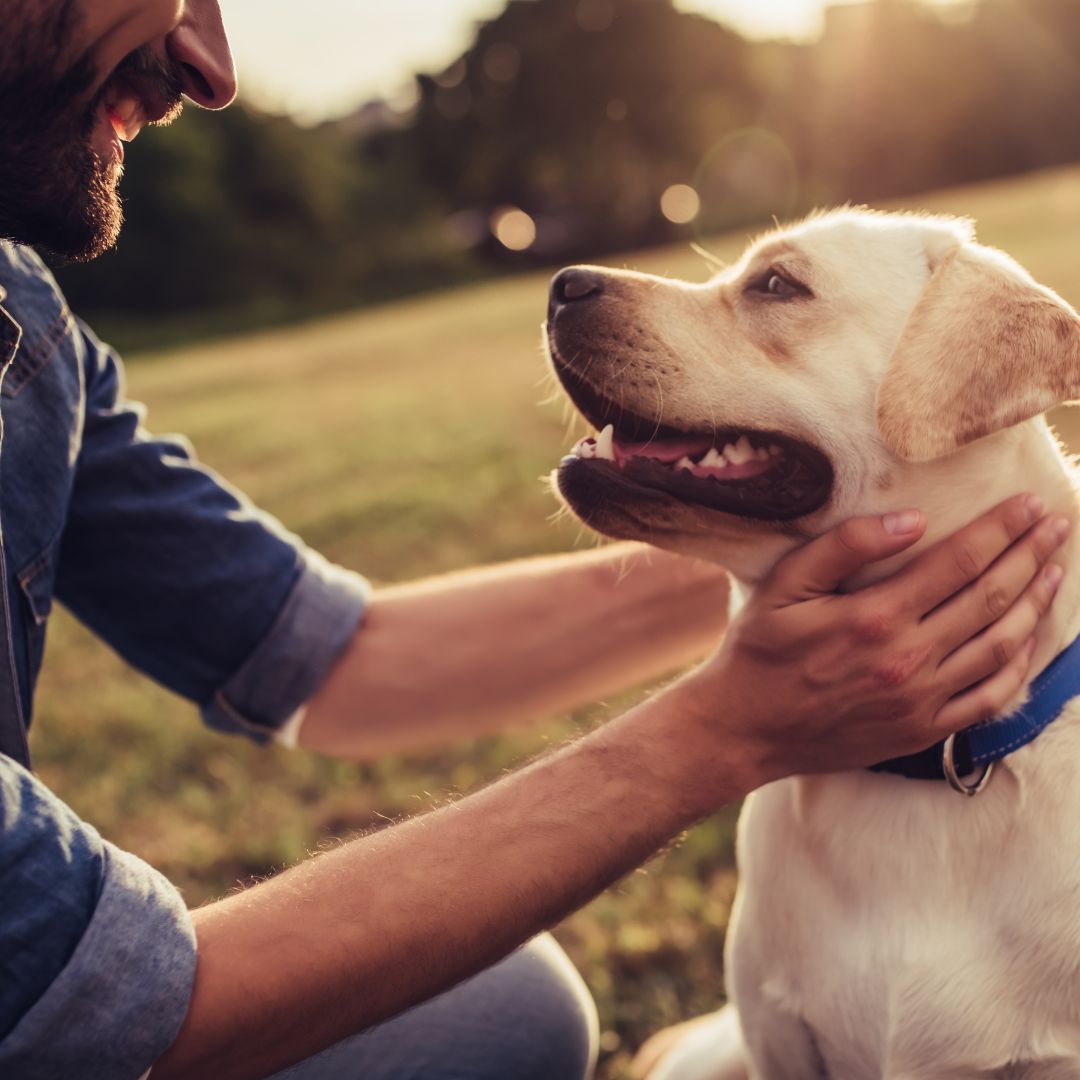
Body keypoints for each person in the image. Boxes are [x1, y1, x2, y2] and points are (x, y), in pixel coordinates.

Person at [0, 3, 1068, 1079]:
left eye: (777, 290)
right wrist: (723, 731)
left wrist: (864, 559)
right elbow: (88, 1001)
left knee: (510, 1011)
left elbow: (334, 654)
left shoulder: (26, 326)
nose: (212, 65)